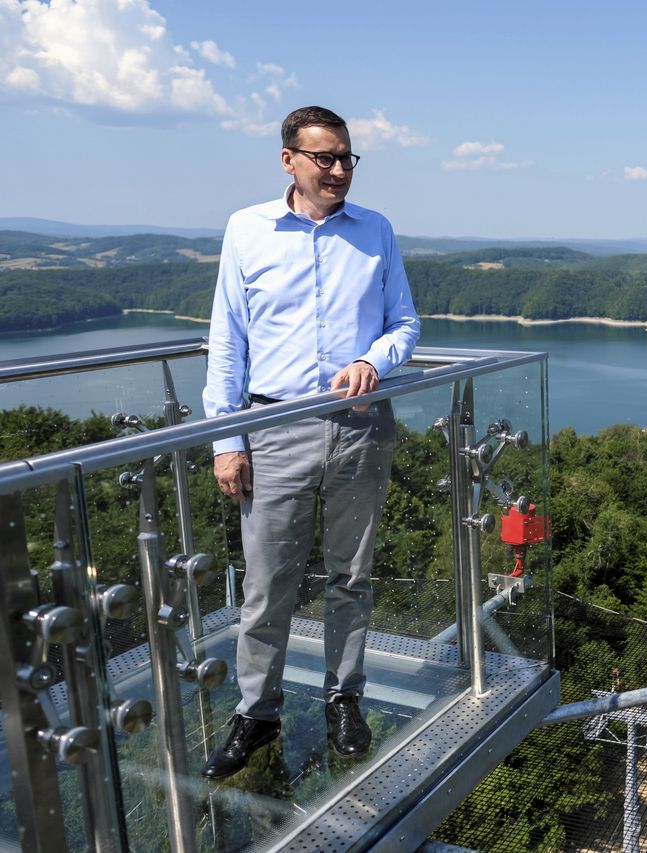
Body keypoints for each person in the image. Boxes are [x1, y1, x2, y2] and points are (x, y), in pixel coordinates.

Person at [200, 105, 420, 780]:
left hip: (360, 424)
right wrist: (225, 438)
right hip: (272, 428)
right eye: (324, 157)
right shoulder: (247, 229)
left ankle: (342, 696)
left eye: (347, 158)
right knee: (268, 581)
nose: (338, 171)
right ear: (288, 159)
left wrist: (374, 361)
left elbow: (405, 323)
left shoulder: (375, 230)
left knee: (351, 575)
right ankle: (256, 712)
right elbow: (227, 341)